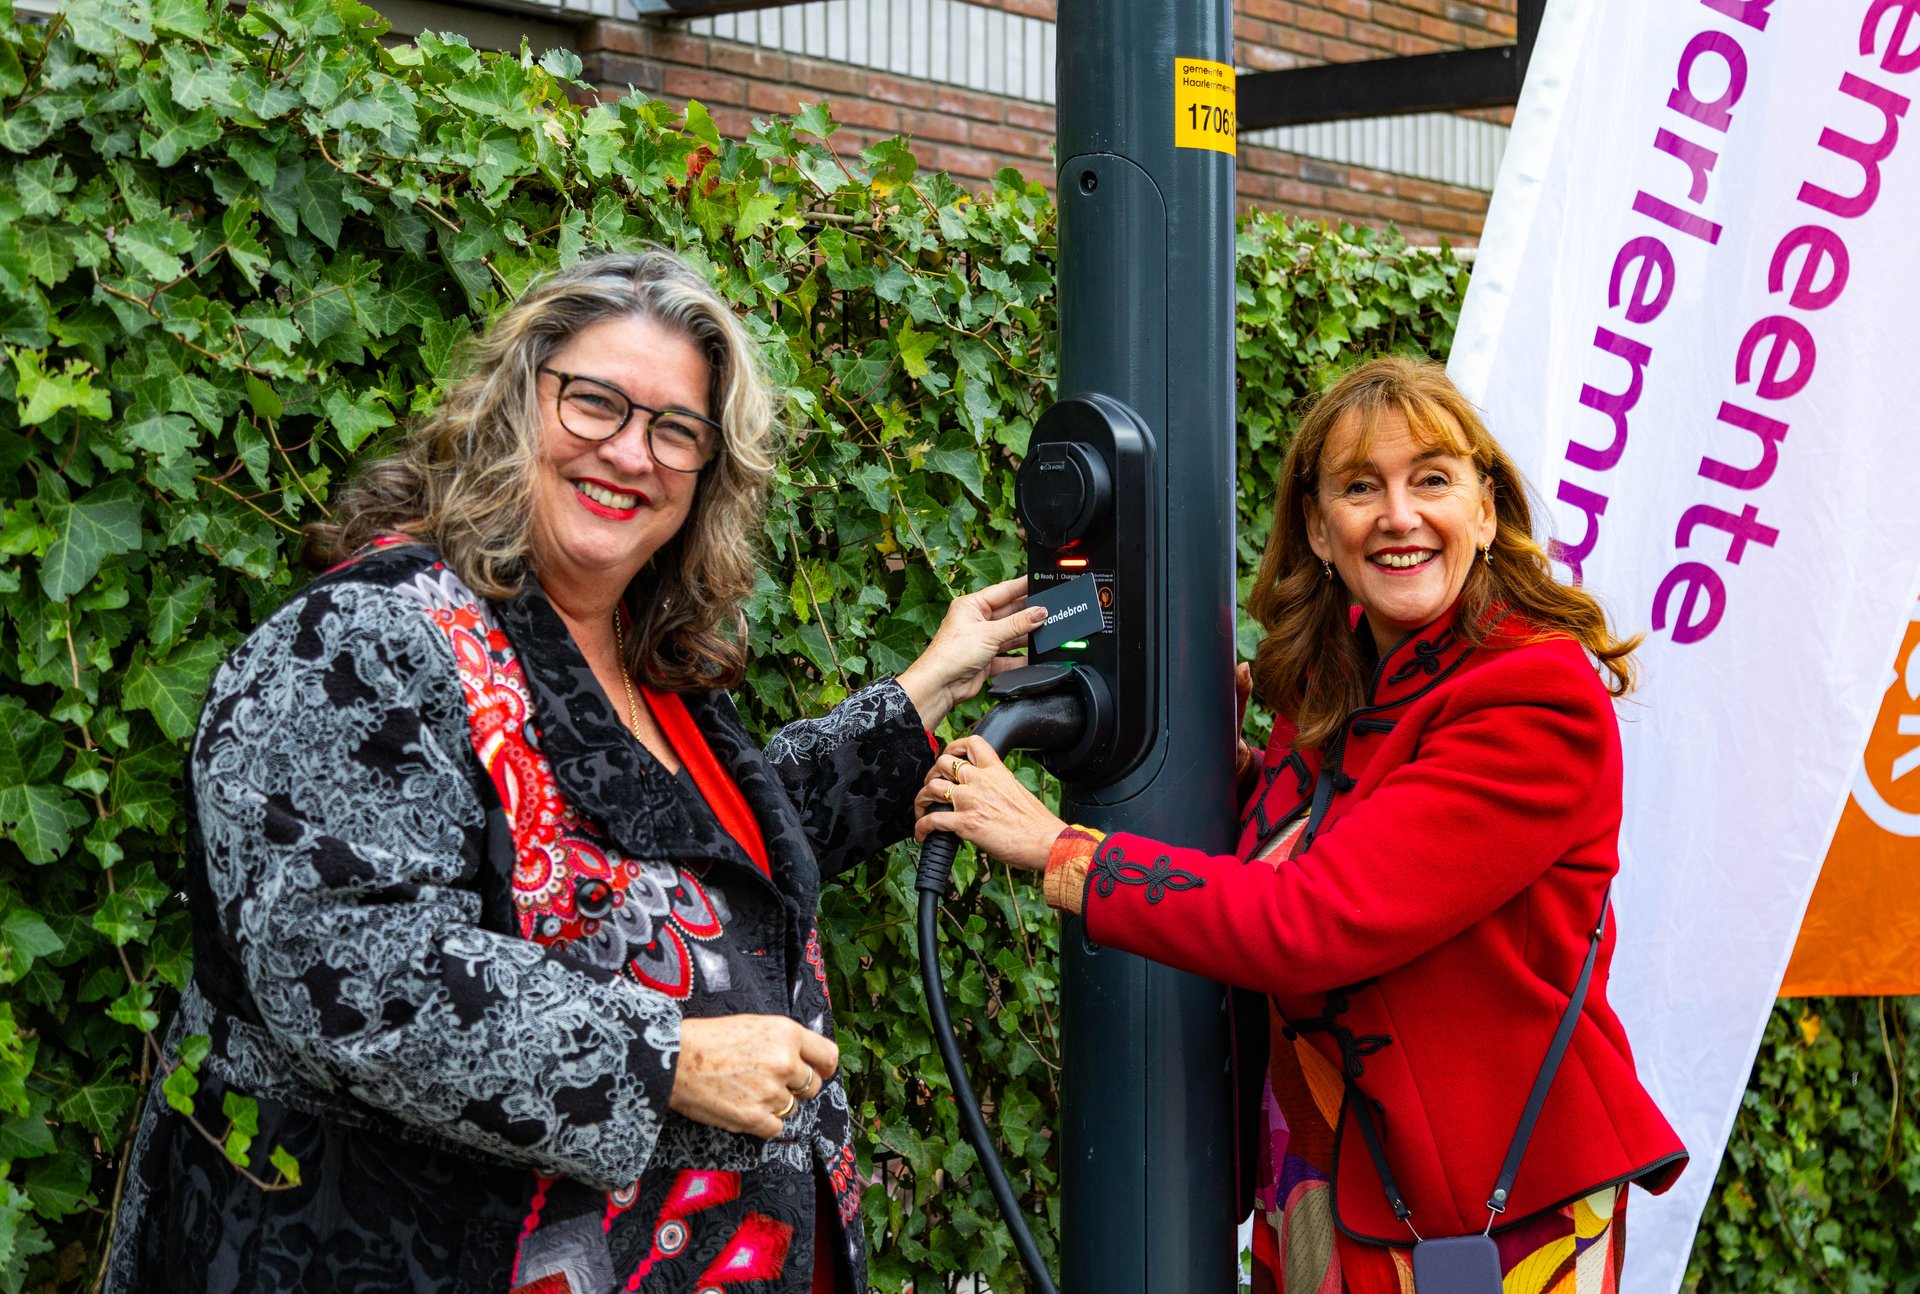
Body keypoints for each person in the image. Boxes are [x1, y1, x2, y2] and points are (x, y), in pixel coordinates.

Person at [105, 249, 1048, 1294]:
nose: (630, 452)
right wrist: (668, 1060)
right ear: (517, 403)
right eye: (595, 404)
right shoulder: (365, 639)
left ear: (706, 474)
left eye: (675, 429)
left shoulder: (650, 665)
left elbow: (695, 883)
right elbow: (345, 964)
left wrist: (921, 696)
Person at [915, 357, 1687, 1291]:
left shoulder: (1534, 698)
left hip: (1486, 1210)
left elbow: (1313, 919)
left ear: (1485, 513)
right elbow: (1336, 841)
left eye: (1432, 481)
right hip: (1324, 1174)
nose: (1399, 516)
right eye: (1362, 489)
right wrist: (1216, 772)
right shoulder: (1338, 680)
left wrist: (1059, 849)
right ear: (1320, 531)